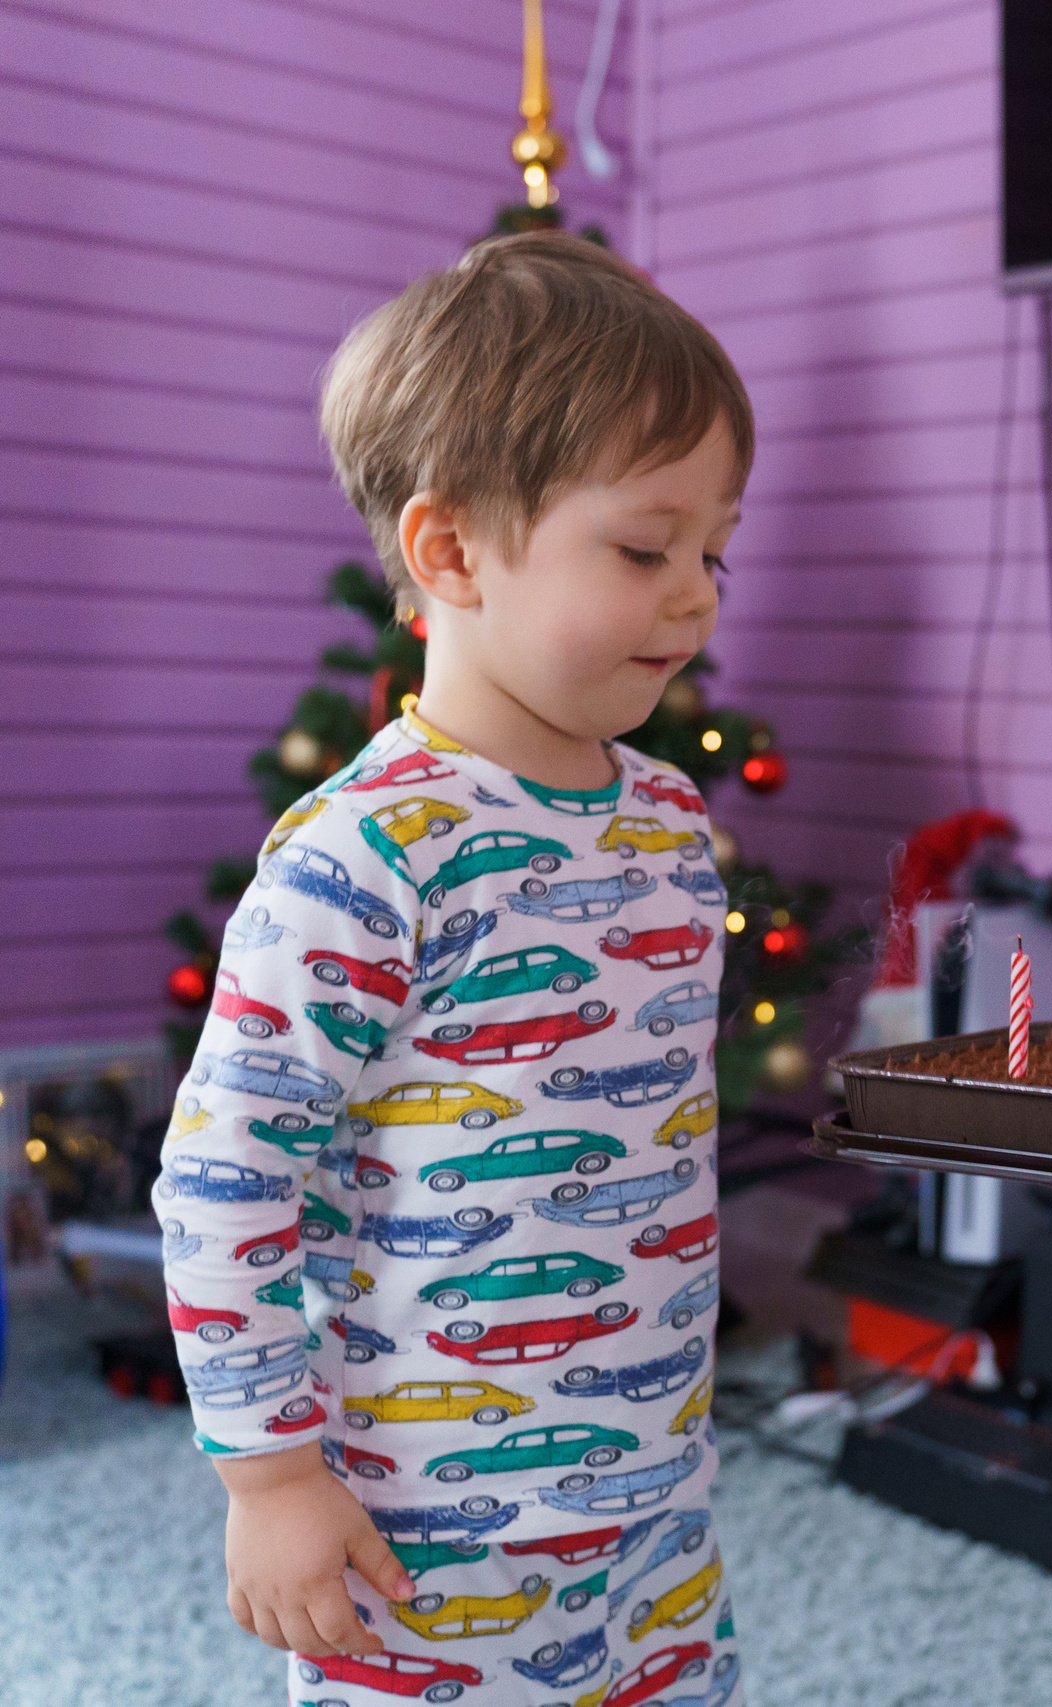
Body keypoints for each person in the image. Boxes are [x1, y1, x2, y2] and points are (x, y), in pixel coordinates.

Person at [159, 232, 748, 1703]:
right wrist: (272, 1480)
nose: (697, 597)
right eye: (643, 547)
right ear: (450, 551)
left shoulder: (672, 822)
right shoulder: (365, 857)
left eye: (713, 549)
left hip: (654, 1477)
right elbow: (229, 1177)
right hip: (428, 1519)